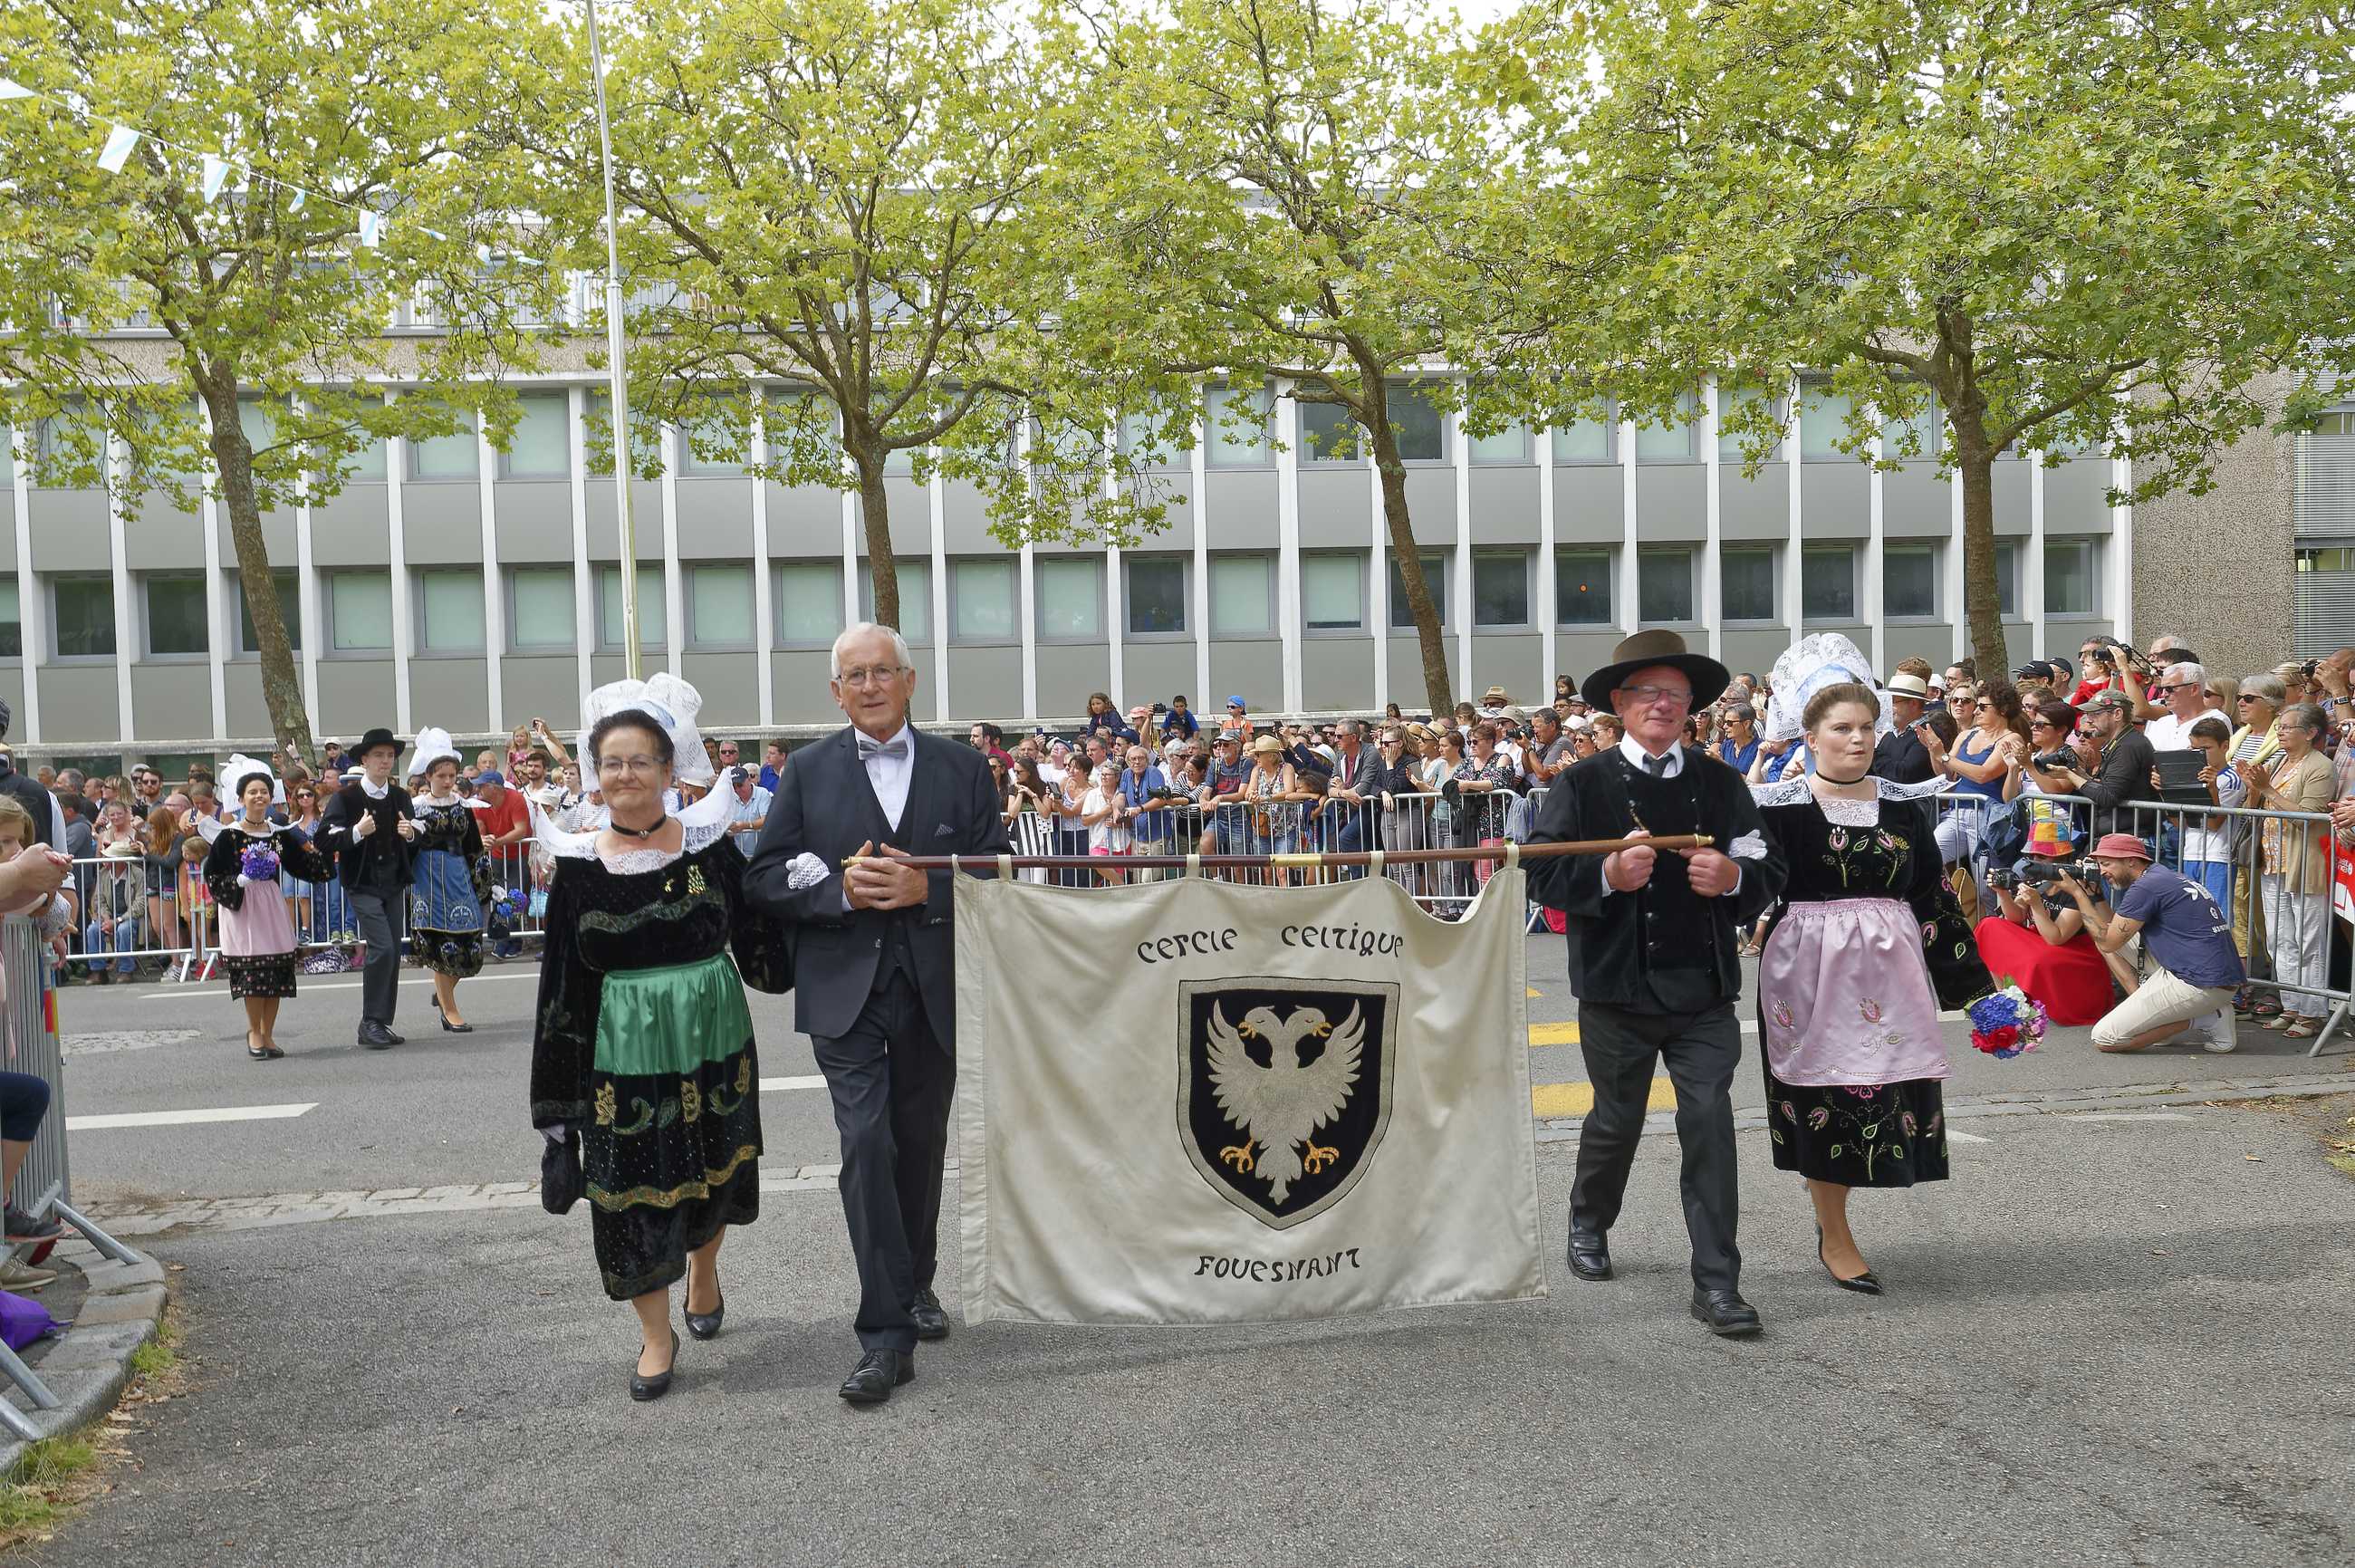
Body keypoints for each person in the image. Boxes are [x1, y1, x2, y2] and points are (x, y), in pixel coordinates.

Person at [744, 622, 1010, 1405]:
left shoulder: (965, 769)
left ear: (910, 679)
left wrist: (933, 889)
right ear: (835, 691)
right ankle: (884, 1335)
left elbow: (996, 870)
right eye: (853, 675)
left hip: (934, 984)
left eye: (881, 671)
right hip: (842, 988)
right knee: (865, 1141)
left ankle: (915, 1278)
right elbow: (762, 878)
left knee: (920, 1145)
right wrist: (835, 893)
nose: (868, 685)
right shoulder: (805, 770)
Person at [529, 678, 789, 1402]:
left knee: (713, 1167)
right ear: (595, 773)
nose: (627, 775)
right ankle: (654, 1334)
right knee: (627, 1190)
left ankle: (703, 1272)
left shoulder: (709, 848)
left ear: (670, 770)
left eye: (642, 760)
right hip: (625, 1051)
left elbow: (761, 932)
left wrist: (813, 899)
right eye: (612, 762)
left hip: (712, 1035)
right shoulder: (579, 870)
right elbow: (560, 988)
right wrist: (557, 1105)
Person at [1526, 629, 1784, 1338]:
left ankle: (1717, 1283)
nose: (1662, 704)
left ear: (1691, 706)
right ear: (1620, 702)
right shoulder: (1581, 783)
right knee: (1617, 1120)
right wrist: (1607, 875)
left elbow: (1767, 863)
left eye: (1675, 693)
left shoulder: (1720, 781)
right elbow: (1541, 867)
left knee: (1709, 1122)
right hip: (1616, 990)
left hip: (1702, 990)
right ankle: (1589, 1216)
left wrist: (1734, 878)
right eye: (1648, 692)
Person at [1750, 682, 1993, 1293]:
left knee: (1882, 1100)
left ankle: (1834, 1218)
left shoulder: (1903, 804)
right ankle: (1834, 1232)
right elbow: (1745, 887)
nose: (1857, 738)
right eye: (1841, 728)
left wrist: (1980, 995)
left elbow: (1933, 897)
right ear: (1809, 739)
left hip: (1891, 975)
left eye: (1865, 727)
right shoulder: (1778, 804)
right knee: (1824, 1102)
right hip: (1808, 971)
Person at [2056, 834, 2243, 1054]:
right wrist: (2094, 896)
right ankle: (2151, 1013)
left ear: (2131, 861)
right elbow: (2113, 933)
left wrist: (2077, 893)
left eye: (2106, 863)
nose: (2102, 871)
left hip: (2201, 984)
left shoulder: (2146, 887)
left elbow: (2107, 941)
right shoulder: (2160, 876)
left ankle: (2209, 1018)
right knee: (2107, 938)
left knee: (2106, 1038)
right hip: (2214, 978)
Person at [200, 757, 335, 1060]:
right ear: (241, 799)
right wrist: (240, 881)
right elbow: (214, 876)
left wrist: (327, 850)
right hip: (243, 907)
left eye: (263, 791)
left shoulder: (278, 833)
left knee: (275, 975)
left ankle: (269, 1034)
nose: (258, 796)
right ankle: (254, 1031)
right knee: (253, 977)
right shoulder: (229, 836)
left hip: (271, 905)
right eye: (252, 792)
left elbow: (303, 864)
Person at [317, 726, 419, 1050]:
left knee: (391, 952)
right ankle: (370, 1022)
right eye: (378, 755)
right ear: (364, 759)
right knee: (384, 948)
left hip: (393, 882)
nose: (385, 761)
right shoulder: (345, 798)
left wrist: (411, 834)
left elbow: (416, 838)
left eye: (390, 756)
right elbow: (323, 839)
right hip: (362, 884)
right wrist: (357, 832)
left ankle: (380, 1022)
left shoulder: (401, 796)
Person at [2238, 703, 2335, 1039]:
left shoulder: (2321, 767)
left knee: (2309, 942)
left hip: (2304, 865)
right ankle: (2292, 1005)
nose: (2279, 732)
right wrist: (2254, 789)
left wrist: (2267, 790)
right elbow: (2262, 808)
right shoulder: (2278, 762)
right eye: (2279, 727)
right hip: (2272, 863)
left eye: (2288, 727)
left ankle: (2312, 1013)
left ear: (2310, 733)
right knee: (2281, 941)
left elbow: (2309, 816)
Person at [402, 732, 490, 1034]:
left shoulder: (463, 806)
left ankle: (443, 995)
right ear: (429, 775)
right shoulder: (415, 807)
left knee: (471, 945)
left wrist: (484, 882)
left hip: (457, 874)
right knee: (440, 943)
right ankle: (449, 1009)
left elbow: (474, 846)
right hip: (427, 875)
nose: (448, 780)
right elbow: (407, 845)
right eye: (442, 775)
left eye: (452, 775)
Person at [1979, 837, 2120, 1026]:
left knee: (2037, 959)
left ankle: (2023, 1003)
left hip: (2076, 954)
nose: (2035, 860)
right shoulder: (2037, 879)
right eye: (2033, 855)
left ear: (2061, 858)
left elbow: (2056, 938)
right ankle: (2004, 997)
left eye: (2042, 856)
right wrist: (2002, 893)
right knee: (1990, 926)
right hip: (2045, 942)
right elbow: (2015, 918)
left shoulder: (2077, 886)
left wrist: (2036, 905)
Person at [1871, 671, 1937, 784]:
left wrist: (1871, 753)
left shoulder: (1927, 734)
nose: (1888, 707)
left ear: (1913, 703)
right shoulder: (1890, 735)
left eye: (1893, 701)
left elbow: (1903, 774)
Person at [722, 765, 771, 858]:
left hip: (762, 853)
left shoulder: (762, 793)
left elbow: (766, 820)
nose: (737, 789)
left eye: (740, 785)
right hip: (740, 853)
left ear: (749, 780)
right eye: (733, 786)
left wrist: (745, 825)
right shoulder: (730, 797)